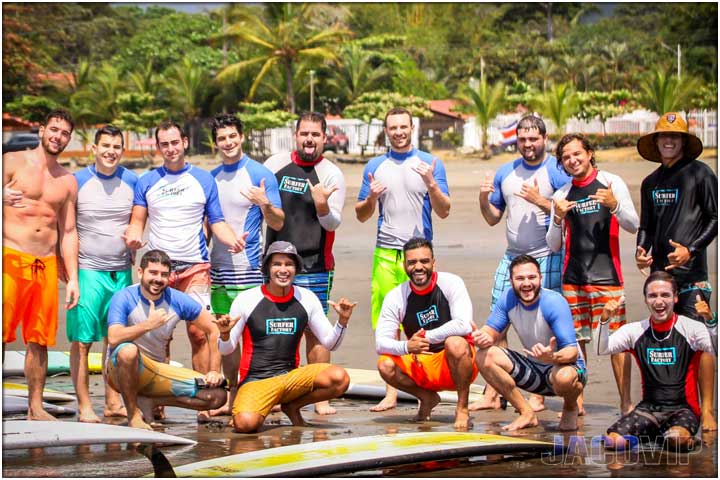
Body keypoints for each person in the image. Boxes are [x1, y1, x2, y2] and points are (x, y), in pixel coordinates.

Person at [123, 121, 246, 378]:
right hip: (159, 271)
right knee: (158, 334)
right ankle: (158, 401)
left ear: (185, 142)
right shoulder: (147, 181)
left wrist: (232, 240)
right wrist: (133, 237)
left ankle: (202, 397)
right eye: (164, 144)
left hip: (195, 268)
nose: (171, 149)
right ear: (158, 147)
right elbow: (137, 222)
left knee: (199, 332)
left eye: (175, 142)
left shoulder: (203, 179)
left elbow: (217, 222)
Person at [356, 106, 450, 412]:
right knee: (387, 324)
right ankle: (392, 392)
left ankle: (426, 384)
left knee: (424, 322)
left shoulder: (430, 162)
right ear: (386, 131)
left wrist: (431, 182)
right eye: (393, 128)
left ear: (412, 128)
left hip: (420, 255)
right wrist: (371, 197)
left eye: (403, 127)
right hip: (385, 253)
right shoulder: (374, 165)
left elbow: (445, 210)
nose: (398, 132)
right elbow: (361, 215)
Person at [473, 114, 570, 412]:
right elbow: (491, 218)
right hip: (512, 257)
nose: (528, 144)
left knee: (546, 324)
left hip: (547, 255)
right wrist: (482, 197)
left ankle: (542, 395)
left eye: (533, 138)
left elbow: (569, 210)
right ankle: (495, 393)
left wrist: (541, 200)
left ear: (544, 139)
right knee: (498, 324)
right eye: (523, 139)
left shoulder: (556, 169)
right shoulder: (507, 172)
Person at [214, 241, 357, 433]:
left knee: (339, 378)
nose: (283, 270)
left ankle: (292, 406)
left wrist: (342, 321)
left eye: (289, 264)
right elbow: (227, 349)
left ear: (296, 269)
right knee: (245, 425)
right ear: (267, 268)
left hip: (291, 379)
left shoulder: (306, 298)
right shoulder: (246, 299)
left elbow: (331, 343)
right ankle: (252, 407)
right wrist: (224, 334)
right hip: (256, 381)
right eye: (277, 264)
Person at [635, 112, 718, 431]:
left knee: (703, 342)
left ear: (684, 141)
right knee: (665, 344)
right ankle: (672, 405)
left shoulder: (700, 174)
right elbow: (646, 227)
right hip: (661, 281)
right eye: (664, 137)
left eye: (675, 137)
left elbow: (713, 219)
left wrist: (690, 249)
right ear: (656, 142)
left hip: (693, 277)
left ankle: (708, 409)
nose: (669, 141)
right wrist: (641, 252)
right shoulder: (650, 182)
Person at [547, 133, 639, 416]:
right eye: (566, 158)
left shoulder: (612, 182)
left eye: (577, 154)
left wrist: (614, 205)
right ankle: (578, 399)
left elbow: (633, 225)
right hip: (573, 279)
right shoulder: (562, 194)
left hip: (608, 278)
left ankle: (625, 401)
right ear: (562, 164)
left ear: (589, 153)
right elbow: (553, 244)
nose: (573, 160)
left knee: (616, 344)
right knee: (577, 343)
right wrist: (557, 217)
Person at [264, 112, 347, 415]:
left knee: (315, 329)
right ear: (295, 135)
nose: (309, 140)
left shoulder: (331, 173)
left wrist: (322, 204)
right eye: (304, 134)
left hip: (315, 263)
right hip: (276, 263)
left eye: (315, 135)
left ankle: (319, 395)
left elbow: (333, 222)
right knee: (276, 328)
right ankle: (274, 390)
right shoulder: (274, 165)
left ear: (324, 138)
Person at [2, 108, 80, 421]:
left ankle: (35, 407)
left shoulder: (67, 181)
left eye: (64, 134)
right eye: (54, 130)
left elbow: (69, 231)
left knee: (39, 338)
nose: (58, 137)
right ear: (41, 130)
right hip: (10, 257)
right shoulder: (11, 161)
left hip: (45, 264)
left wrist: (72, 278)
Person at [208, 113, 285, 416]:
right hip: (219, 271)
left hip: (252, 270)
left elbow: (278, 220)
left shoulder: (259, 173)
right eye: (221, 138)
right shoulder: (211, 177)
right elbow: (207, 223)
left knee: (257, 336)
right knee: (225, 337)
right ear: (215, 143)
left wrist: (264, 202)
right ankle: (231, 398)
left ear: (242, 137)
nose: (228, 143)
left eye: (232, 136)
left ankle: (266, 393)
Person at [106, 249, 226, 430]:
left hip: (156, 372)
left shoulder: (177, 299)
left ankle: (150, 400)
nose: (158, 279)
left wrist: (214, 371)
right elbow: (113, 337)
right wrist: (148, 325)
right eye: (152, 273)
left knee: (217, 396)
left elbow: (213, 329)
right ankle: (133, 416)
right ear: (140, 273)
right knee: (128, 351)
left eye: (163, 275)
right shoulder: (124, 297)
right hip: (120, 369)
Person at [599, 272, 716, 451]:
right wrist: (604, 320)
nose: (659, 301)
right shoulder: (635, 331)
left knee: (676, 441)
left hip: (683, 409)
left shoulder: (691, 328)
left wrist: (710, 320)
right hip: (649, 409)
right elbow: (602, 349)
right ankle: (651, 434)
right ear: (645, 300)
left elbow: (715, 349)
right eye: (652, 296)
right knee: (612, 442)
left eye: (665, 295)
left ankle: (686, 440)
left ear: (675, 298)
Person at [68, 125, 137, 423]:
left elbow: (142, 217)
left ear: (123, 150)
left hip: (122, 272)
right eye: (105, 145)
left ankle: (112, 401)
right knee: (83, 342)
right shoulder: (77, 181)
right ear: (93, 149)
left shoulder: (133, 180)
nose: (111, 151)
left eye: (116, 146)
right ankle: (84, 405)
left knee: (116, 340)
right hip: (88, 271)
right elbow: (65, 227)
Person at [472, 254, 586, 431]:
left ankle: (570, 407)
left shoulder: (554, 302)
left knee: (564, 377)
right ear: (511, 281)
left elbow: (572, 352)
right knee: (483, 356)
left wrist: (553, 357)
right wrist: (482, 336)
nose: (526, 283)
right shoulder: (508, 298)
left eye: (532, 277)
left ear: (540, 278)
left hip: (565, 369)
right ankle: (526, 412)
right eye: (520, 278)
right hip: (534, 371)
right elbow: (490, 331)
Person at [375, 238, 476, 429]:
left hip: (456, 362)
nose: (418, 267)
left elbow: (464, 325)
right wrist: (407, 346)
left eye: (424, 261)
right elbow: (381, 343)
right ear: (404, 265)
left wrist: (427, 337)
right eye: (412, 262)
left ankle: (462, 408)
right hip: (422, 364)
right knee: (385, 365)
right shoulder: (396, 296)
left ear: (433, 262)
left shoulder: (451, 283)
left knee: (455, 342)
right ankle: (427, 398)